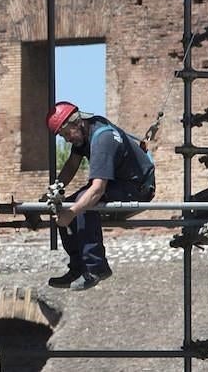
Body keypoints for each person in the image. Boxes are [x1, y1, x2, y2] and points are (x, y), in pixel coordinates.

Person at [45, 101, 156, 291]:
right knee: (66, 205)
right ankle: (78, 267)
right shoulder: (84, 132)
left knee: (83, 203)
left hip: (137, 188)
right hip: (117, 183)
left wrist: (71, 213)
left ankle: (96, 268)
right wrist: (55, 191)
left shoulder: (103, 139)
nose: (66, 139)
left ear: (77, 123)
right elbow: (72, 165)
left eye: (66, 134)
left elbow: (97, 190)